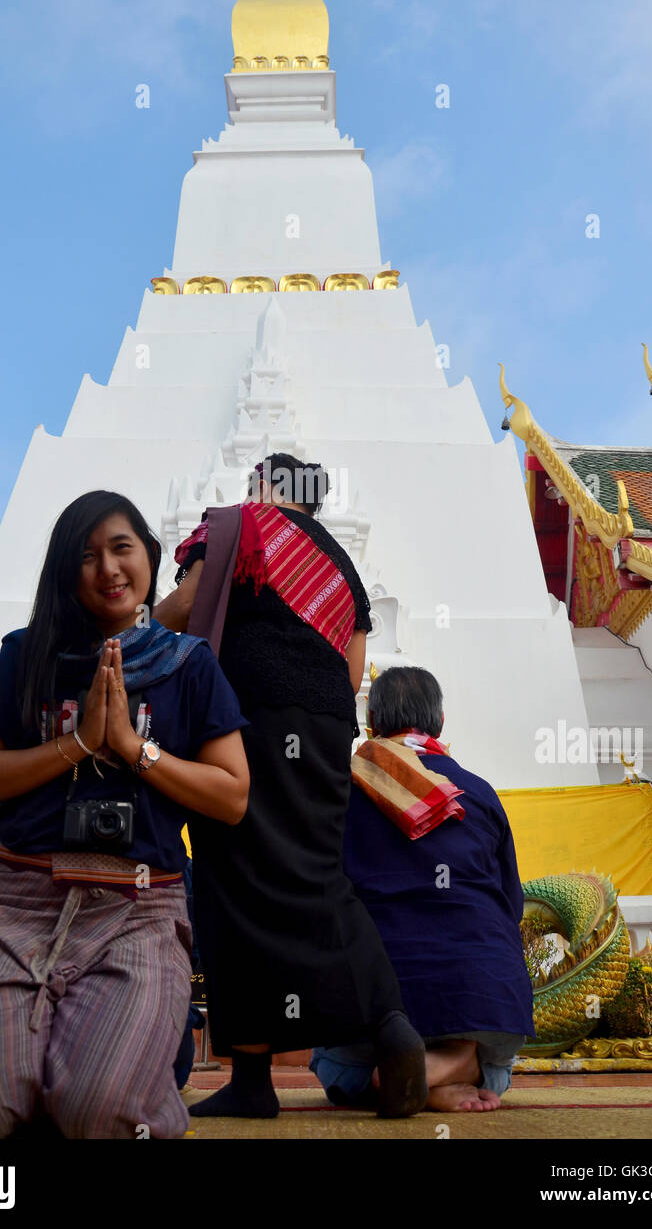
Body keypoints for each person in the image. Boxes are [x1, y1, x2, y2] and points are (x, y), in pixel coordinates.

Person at [0, 491, 249, 1140]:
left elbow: (231, 795)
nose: (108, 568)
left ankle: (124, 1068)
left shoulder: (188, 666)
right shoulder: (26, 656)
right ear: (64, 575)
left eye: (121, 548)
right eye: (86, 557)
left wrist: (131, 747)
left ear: (149, 556)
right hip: (18, 900)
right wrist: (77, 745)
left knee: (99, 1112)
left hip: (138, 911)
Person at [154, 454, 426, 1119]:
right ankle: (388, 1023)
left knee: (231, 875)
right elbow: (354, 665)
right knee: (316, 871)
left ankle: (251, 1075)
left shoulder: (238, 527)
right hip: (326, 724)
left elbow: (187, 605)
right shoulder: (341, 564)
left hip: (242, 716)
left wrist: (136, 632)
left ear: (264, 488)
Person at [311, 665, 535, 1113]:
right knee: (499, 1072)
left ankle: (404, 1074)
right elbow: (511, 907)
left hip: (370, 1015)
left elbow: (319, 900)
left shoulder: (340, 791)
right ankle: (460, 1062)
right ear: (440, 721)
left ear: (372, 723)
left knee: (335, 1070)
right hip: (485, 1005)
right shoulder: (479, 794)